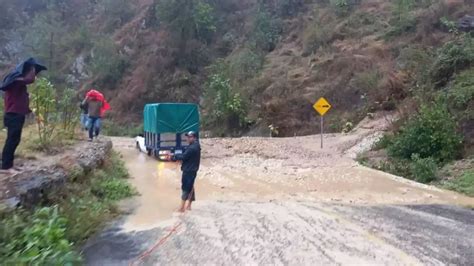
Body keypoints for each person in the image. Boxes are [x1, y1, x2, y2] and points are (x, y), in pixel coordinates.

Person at [0, 58, 47, 173]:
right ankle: (5, 166)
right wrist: (32, 67)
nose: (34, 74)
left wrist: (29, 110)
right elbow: (30, 79)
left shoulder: (17, 82)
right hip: (13, 115)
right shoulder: (16, 81)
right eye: (32, 70)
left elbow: (20, 99)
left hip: (16, 114)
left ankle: (8, 164)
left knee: (14, 139)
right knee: (12, 139)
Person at [172, 131, 201, 212]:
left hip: (189, 171)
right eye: (187, 137)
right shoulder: (196, 145)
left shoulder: (192, 148)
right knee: (190, 187)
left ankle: (181, 208)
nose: (188, 138)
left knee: (185, 188)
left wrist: (173, 157)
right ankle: (188, 206)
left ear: (194, 138)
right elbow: (188, 157)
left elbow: (184, 156)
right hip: (192, 170)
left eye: (190, 137)